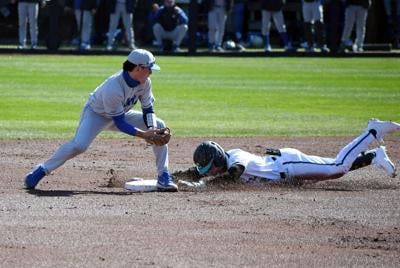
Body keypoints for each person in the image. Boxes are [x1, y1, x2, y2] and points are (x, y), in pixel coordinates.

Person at [24, 49, 178, 192]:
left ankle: (164, 176)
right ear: (138, 68)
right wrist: (145, 135)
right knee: (79, 145)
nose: (151, 72)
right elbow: (119, 123)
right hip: (96, 115)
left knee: (160, 125)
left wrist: (151, 128)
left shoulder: (145, 83)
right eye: (149, 68)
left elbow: (148, 108)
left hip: (122, 113)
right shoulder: (114, 87)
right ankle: (42, 170)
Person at [176, 119, 399, 190]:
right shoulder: (220, 164)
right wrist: (171, 177)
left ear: (218, 160)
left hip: (288, 164)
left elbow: (234, 174)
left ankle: (372, 131)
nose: (210, 173)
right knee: (334, 174)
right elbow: (194, 172)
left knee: (337, 166)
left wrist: (202, 186)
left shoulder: (235, 158)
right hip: (287, 174)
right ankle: (373, 157)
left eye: (211, 168)